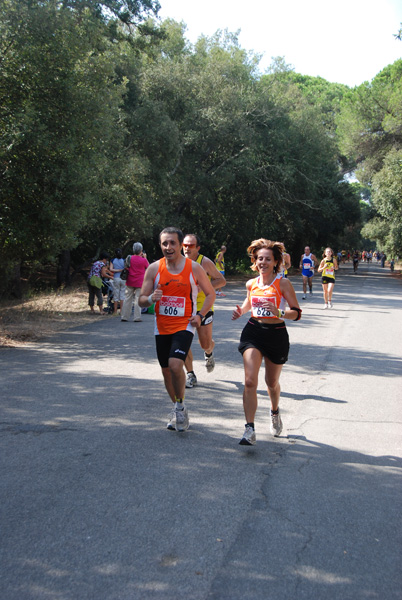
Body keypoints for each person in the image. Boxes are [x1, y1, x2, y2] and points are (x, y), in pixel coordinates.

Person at [138, 227, 215, 432]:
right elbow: (141, 300)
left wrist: (200, 315)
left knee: (174, 365)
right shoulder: (154, 269)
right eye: (164, 243)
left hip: (185, 325)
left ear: (181, 245)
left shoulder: (193, 268)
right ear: (160, 245)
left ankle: (179, 405)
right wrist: (150, 299)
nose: (168, 247)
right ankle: (178, 406)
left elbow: (210, 294)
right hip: (161, 327)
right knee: (166, 372)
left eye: (172, 243)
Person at [232, 239, 301, 446]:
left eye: (267, 259)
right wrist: (240, 311)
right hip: (253, 332)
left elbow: (296, 313)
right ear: (255, 260)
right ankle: (249, 428)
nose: (262, 262)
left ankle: (274, 411)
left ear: (275, 262)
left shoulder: (283, 284)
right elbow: (248, 304)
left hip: (276, 334)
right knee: (250, 381)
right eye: (259, 258)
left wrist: (278, 312)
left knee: (271, 383)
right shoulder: (251, 283)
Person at [182, 233, 226, 388]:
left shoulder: (204, 262)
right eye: (184, 245)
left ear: (198, 248)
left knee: (204, 344)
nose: (187, 248)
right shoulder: (178, 262)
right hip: (184, 308)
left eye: (191, 245)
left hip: (203, 307)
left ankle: (209, 352)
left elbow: (221, 280)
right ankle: (190, 374)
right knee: (183, 342)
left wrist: (204, 288)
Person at [120, 243, 149, 322]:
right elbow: (148, 267)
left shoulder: (129, 258)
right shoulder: (143, 260)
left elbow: (126, 266)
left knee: (127, 298)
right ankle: (137, 317)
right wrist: (145, 258)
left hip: (130, 281)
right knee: (137, 299)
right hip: (139, 282)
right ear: (141, 250)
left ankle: (124, 316)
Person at [109, 248, 126, 315]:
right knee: (122, 295)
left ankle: (115, 311)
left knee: (116, 294)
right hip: (123, 278)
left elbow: (111, 269)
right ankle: (121, 311)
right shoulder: (124, 260)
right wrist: (121, 270)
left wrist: (117, 270)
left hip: (116, 278)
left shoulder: (112, 260)